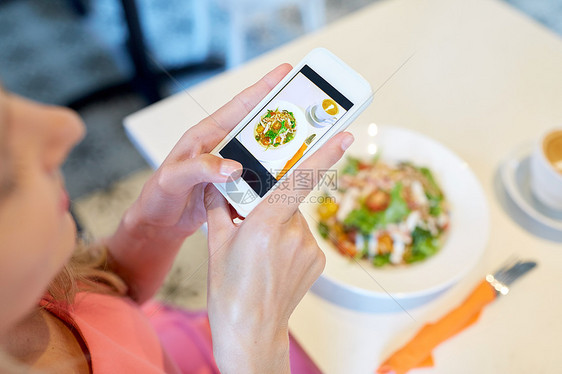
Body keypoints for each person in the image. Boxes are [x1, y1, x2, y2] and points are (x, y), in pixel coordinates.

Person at [0, 64, 354, 373]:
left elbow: (104, 305)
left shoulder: (32, 285)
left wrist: (151, 231)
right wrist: (254, 353)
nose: (65, 125)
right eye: (5, 179)